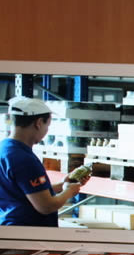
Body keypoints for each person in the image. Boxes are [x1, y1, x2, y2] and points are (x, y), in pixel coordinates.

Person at [0, 97, 89, 226]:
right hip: (27, 232)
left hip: (10, 227)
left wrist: (62, 185)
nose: (47, 131)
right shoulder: (24, 159)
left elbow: (25, 191)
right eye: (48, 125)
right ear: (39, 123)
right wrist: (68, 192)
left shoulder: (4, 149)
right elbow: (46, 206)